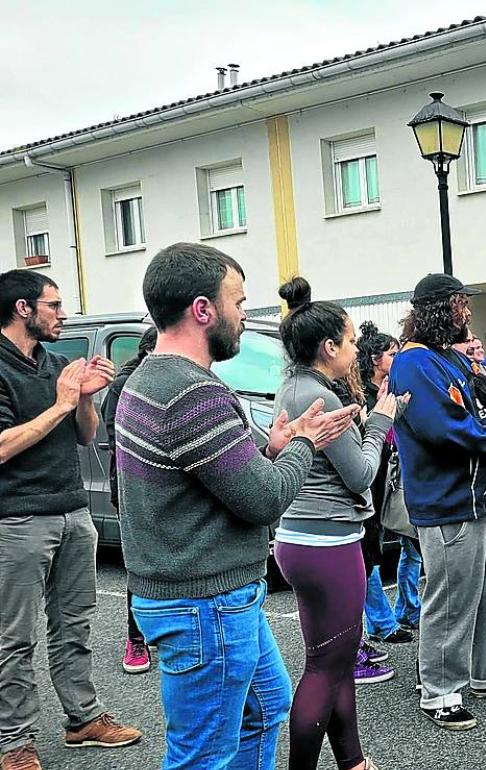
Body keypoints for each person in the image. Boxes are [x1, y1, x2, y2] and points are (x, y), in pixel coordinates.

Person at [117, 243, 358, 770]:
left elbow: (213, 471)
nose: (246, 315)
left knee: (266, 709)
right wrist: (304, 446)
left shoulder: (153, 379)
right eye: (239, 301)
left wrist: (271, 448)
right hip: (205, 604)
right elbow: (264, 498)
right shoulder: (192, 393)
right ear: (203, 310)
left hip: (206, 597)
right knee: (202, 755)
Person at [0, 271, 140, 770]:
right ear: (22, 308)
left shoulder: (59, 363)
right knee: (13, 638)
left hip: (73, 511)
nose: (63, 314)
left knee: (74, 625)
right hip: (16, 520)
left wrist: (84, 399)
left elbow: (85, 436)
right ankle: (14, 741)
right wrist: (61, 402)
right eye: (54, 305)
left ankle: (82, 719)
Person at [389, 273, 486, 732]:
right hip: (447, 498)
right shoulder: (413, 363)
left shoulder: (446, 357)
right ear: (437, 309)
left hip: (477, 495)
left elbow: (481, 406)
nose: (467, 313)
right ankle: (440, 691)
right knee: (450, 598)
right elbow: (444, 427)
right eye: (460, 304)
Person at [272, 278, 400, 770]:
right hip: (328, 543)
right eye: (350, 341)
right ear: (328, 347)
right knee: (326, 665)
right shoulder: (320, 398)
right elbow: (361, 473)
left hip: (301, 539)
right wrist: (380, 422)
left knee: (335, 659)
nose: (355, 350)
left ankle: (354, 761)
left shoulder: (295, 384)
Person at [356, 322, 421, 646]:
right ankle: (381, 621)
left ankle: (403, 610)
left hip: (392, 482)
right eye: (392, 354)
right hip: (371, 481)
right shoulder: (363, 396)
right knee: (367, 552)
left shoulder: (392, 391)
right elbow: (370, 438)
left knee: (401, 546)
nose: (397, 359)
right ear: (374, 358)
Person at [102, 325, 158, 675]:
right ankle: (135, 639)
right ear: (150, 351)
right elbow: (114, 436)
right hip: (132, 488)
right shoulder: (126, 385)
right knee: (139, 564)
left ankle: (159, 630)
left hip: (163, 490)